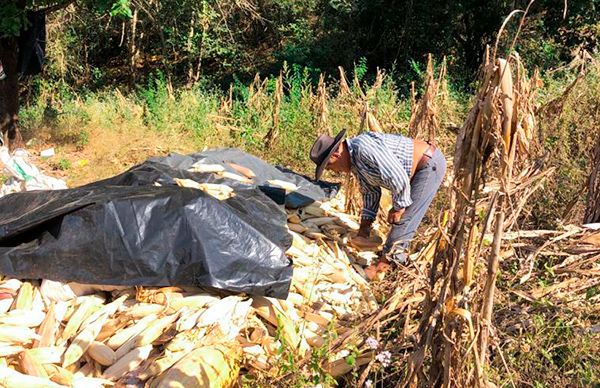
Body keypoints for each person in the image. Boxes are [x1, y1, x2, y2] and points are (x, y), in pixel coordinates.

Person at [310, 129, 446, 279]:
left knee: (406, 217)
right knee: (402, 215)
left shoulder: (363, 148)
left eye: (330, 166)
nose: (335, 171)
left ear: (336, 155)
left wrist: (399, 206)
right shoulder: (355, 162)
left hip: (428, 165)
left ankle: (387, 264)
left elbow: (397, 175)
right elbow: (370, 193)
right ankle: (390, 255)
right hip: (417, 169)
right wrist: (364, 228)